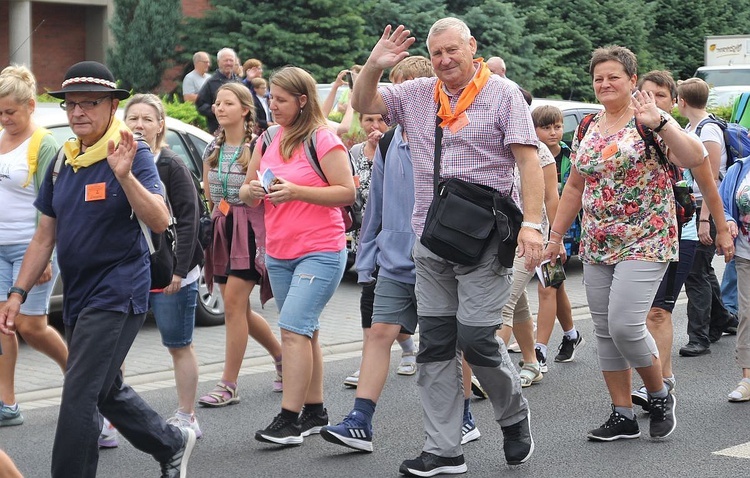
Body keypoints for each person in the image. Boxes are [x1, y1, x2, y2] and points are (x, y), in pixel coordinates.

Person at [352, 18, 545, 476]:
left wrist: (532, 225)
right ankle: (443, 449)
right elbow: (364, 102)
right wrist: (374, 66)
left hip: (485, 240)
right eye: (436, 52)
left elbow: (528, 159)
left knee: (477, 338)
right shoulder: (417, 93)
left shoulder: (503, 93)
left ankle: (514, 414)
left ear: (471, 47)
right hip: (432, 237)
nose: (443, 60)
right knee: (436, 345)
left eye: (451, 50)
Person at [0, 61, 195, 477]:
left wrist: (125, 177)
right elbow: (44, 236)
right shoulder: (63, 159)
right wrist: (17, 294)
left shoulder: (131, 151)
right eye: (71, 104)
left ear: (111, 107)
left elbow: (160, 219)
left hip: (119, 288)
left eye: (89, 103)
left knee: (79, 392)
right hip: (79, 292)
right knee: (104, 388)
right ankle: (171, 442)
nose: (77, 113)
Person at [543, 46, 704, 442]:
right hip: (599, 240)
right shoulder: (587, 127)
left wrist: (662, 121)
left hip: (647, 238)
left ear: (633, 80)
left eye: (614, 76)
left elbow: (695, 157)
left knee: (624, 324)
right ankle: (623, 413)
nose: (605, 84)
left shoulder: (649, 122)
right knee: (603, 329)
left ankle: (658, 393)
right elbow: (575, 185)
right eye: (599, 78)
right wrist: (556, 235)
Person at [321, 56, 444, 452]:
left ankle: (463, 416)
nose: (390, 104)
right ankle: (360, 420)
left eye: (402, 91)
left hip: (441, 257)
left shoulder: (447, 137)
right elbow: (376, 204)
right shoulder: (390, 141)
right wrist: (369, 254)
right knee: (379, 334)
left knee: (446, 342)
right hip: (395, 258)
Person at [239, 66, 354, 446]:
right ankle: (315, 410)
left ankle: (289, 420)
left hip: (321, 250)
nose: (273, 106)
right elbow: (245, 191)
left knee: (292, 330)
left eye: (281, 100)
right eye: (271, 98)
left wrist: (298, 192)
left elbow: (346, 192)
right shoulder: (269, 137)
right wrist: (252, 191)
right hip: (280, 252)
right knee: (306, 332)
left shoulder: (322, 139)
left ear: (302, 101)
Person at [631, 71, 734, 409]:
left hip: (681, 233)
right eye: (645, 94)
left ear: (674, 102)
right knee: (631, 318)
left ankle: (659, 383)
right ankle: (657, 379)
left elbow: (709, 185)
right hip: (634, 237)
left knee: (657, 313)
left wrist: (717, 226)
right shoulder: (622, 136)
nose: (651, 101)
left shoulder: (687, 138)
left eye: (660, 96)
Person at [198, 82, 283, 406]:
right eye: (217, 103)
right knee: (238, 307)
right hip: (223, 228)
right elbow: (210, 195)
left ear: (245, 109)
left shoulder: (259, 144)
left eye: (228, 103)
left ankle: (228, 384)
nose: (219, 108)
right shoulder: (212, 147)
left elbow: (267, 187)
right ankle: (280, 357)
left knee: (233, 301)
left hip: (250, 228)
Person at [124, 94, 204, 438]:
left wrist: (179, 271)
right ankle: (110, 419)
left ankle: (187, 414)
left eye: (147, 119)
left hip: (171, 270)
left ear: (160, 126)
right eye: (133, 118)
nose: (139, 125)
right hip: (131, 269)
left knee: (177, 344)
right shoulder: (115, 160)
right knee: (116, 346)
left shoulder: (172, 165)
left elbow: (189, 221)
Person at [0, 65, 67, 428]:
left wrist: (44, 258)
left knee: (30, 326)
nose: (4, 118)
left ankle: (77, 375)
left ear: (29, 105)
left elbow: (51, 206)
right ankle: (6, 402)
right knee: (3, 326)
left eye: (10, 111)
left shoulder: (46, 144)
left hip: (31, 248)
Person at [678, 77, 737, 357]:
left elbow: (710, 179)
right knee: (702, 269)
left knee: (695, 273)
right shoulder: (692, 128)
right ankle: (723, 319)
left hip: (708, 210)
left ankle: (699, 337)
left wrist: (704, 220)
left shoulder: (708, 130)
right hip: (696, 208)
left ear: (682, 101)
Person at [496, 140, 561, 387]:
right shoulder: (491, 144)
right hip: (499, 238)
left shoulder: (538, 151)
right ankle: (532, 363)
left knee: (504, 303)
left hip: (532, 238)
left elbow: (552, 198)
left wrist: (557, 238)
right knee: (518, 300)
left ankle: (492, 372)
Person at [530, 105, 581, 370]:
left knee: (547, 286)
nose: (553, 132)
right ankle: (571, 335)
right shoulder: (526, 154)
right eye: (546, 127)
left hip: (559, 229)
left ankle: (539, 350)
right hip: (534, 229)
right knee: (555, 284)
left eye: (557, 127)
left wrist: (556, 236)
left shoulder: (570, 156)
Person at [719, 141, 750, 402]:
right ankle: (748, 379)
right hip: (746, 255)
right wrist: (727, 220)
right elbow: (724, 203)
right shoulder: (740, 169)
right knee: (747, 315)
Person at [196, 47, 241, 134]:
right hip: (218, 131)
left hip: (237, 130)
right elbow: (200, 105)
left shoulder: (239, 82)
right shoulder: (211, 83)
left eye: (231, 60)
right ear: (218, 62)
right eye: (225, 60)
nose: (228, 63)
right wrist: (212, 110)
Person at [242, 59, 270, 133]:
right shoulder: (245, 84)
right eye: (257, 69)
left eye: (260, 68)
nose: (260, 71)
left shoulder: (262, 85)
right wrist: (249, 79)